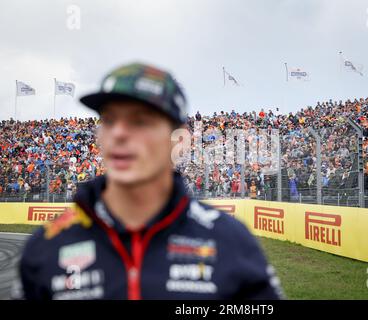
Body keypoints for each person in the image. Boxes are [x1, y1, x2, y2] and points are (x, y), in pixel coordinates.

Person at [14, 62, 283, 300]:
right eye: (109, 119)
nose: (119, 133)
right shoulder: (47, 246)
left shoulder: (230, 241)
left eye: (140, 121)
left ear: (180, 140)